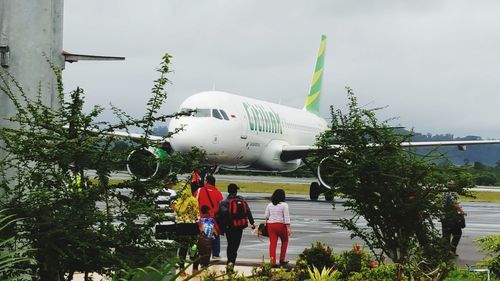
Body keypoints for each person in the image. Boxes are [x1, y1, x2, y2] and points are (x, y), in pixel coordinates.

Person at [218, 183, 256, 267]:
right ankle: (232, 263)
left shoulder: (223, 202)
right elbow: (248, 211)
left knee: (230, 245)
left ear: (228, 191)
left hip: (229, 227)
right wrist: (252, 223)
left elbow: (221, 214)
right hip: (239, 227)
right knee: (235, 246)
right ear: (236, 191)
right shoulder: (242, 200)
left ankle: (229, 263)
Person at [193, 175, 224, 258]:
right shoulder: (218, 192)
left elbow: (194, 202)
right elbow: (220, 206)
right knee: (215, 235)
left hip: (200, 217)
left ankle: (197, 253)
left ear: (206, 181)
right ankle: (215, 254)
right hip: (212, 218)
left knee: (199, 236)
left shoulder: (199, 190)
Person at [170, 187, 199, 273]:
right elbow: (197, 213)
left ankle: (182, 269)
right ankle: (195, 268)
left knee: (183, 248)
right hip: (192, 226)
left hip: (181, 226)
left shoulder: (178, 201)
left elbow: (174, 210)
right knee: (194, 247)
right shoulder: (194, 200)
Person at [264, 189, 291, 266]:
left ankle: (272, 261)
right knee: (285, 241)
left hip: (271, 225)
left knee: (273, 244)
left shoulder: (269, 205)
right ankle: (282, 259)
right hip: (281, 225)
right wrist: (288, 228)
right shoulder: (284, 205)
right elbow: (286, 217)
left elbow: (266, 216)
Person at [192, 205, 220, 273]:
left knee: (198, 253)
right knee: (207, 254)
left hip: (199, 239)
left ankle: (195, 268)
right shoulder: (211, 220)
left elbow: (196, 229)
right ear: (208, 212)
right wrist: (216, 234)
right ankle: (204, 267)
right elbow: (216, 230)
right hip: (208, 240)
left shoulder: (198, 220)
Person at [441, 192, 466, 257]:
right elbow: (454, 204)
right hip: (452, 218)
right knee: (457, 234)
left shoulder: (443, 195)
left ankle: (446, 251)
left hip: (444, 217)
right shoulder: (450, 194)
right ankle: (452, 251)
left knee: (446, 235)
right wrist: (461, 211)